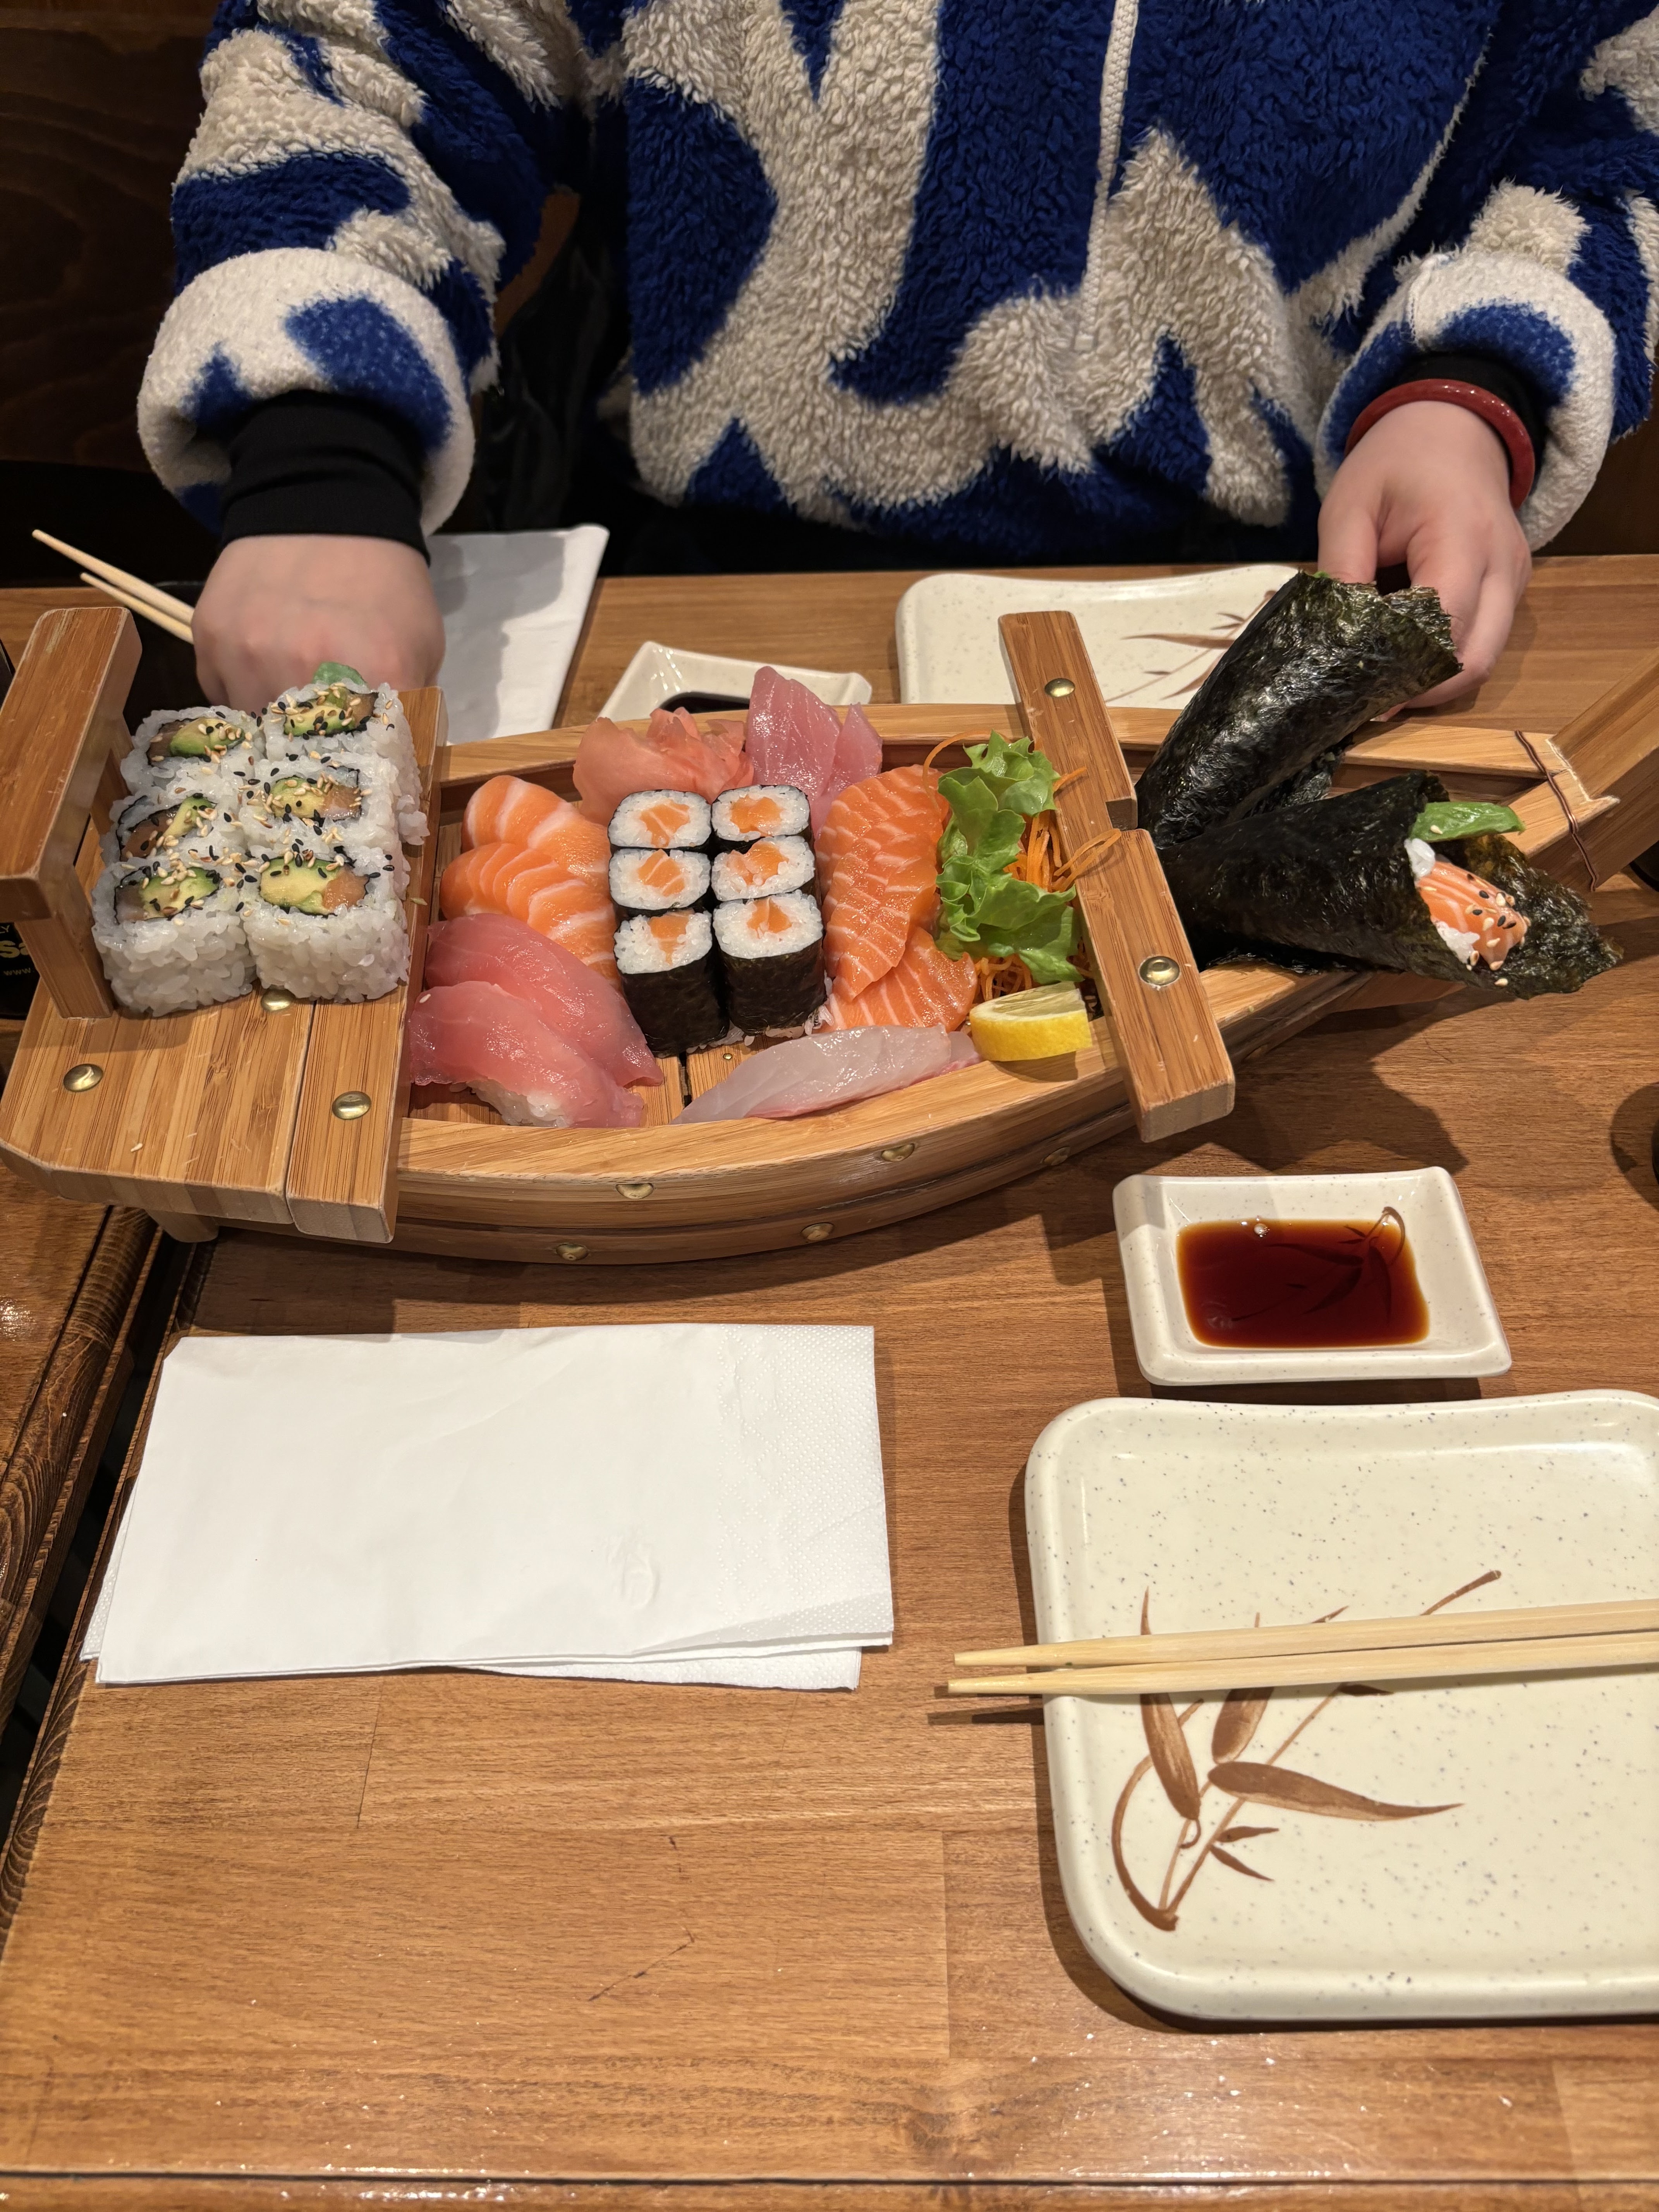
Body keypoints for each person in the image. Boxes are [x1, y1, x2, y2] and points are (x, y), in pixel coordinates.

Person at [139, 2, 1659, 715]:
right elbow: (362, 59)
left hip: (1272, 617)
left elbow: (1615, 135)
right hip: (709, 594)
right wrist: (322, 462)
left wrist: (1471, 391)